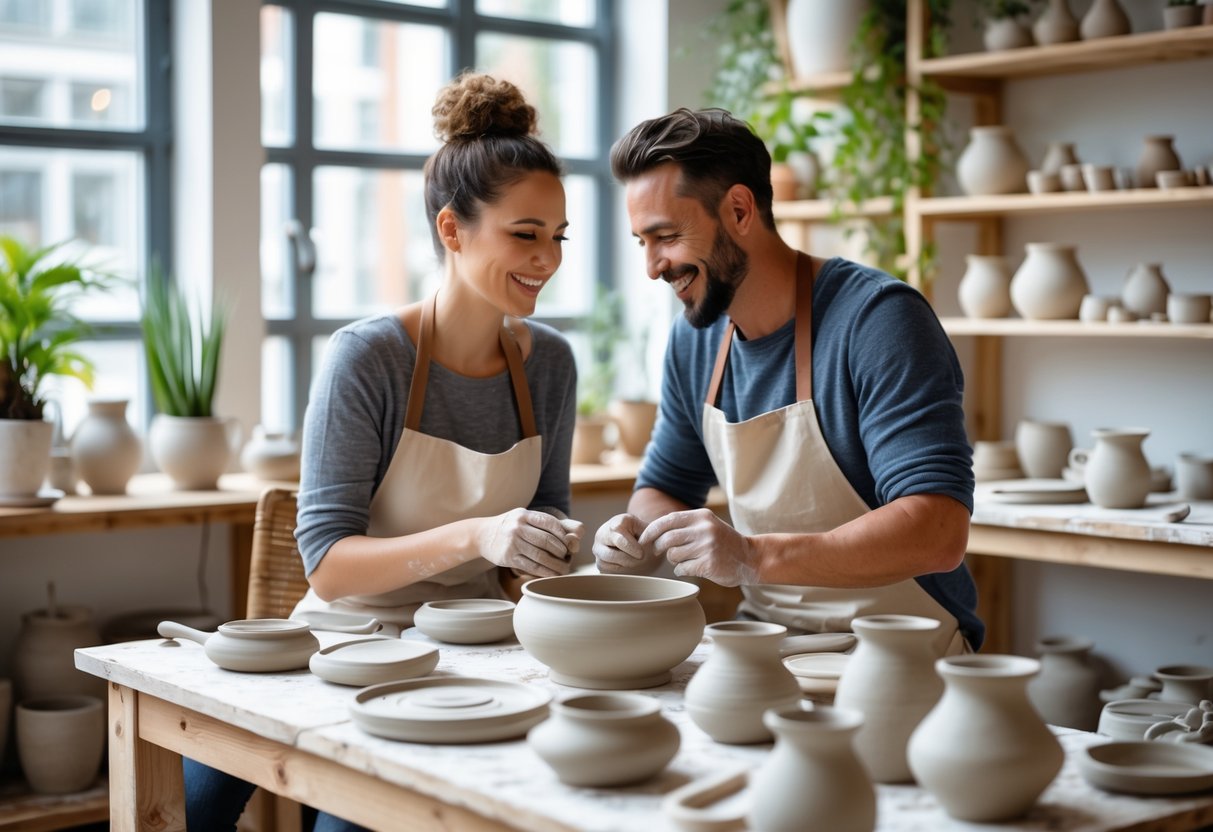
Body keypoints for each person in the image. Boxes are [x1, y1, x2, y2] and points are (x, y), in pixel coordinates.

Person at [184, 72, 584, 831]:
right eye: (525, 235)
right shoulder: (367, 357)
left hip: (476, 651)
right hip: (343, 640)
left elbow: (541, 527)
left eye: (558, 236)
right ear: (451, 230)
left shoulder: (550, 364)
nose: (548, 259)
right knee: (196, 794)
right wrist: (478, 533)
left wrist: (555, 550)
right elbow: (327, 564)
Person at [594, 107, 983, 655]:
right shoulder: (697, 337)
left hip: (902, 656)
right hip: (767, 650)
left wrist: (750, 557)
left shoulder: (878, 321)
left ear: (738, 210)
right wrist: (638, 536)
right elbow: (664, 488)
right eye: (642, 242)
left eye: (667, 236)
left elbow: (937, 530)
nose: (653, 267)